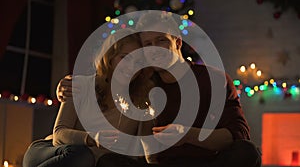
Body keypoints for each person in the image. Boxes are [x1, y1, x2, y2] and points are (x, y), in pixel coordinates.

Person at [56, 11, 262, 167]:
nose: (154, 49)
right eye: (147, 44)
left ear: (178, 42)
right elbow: (105, 78)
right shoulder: (142, 81)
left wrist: (187, 135)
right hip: (161, 164)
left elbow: (238, 134)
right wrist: (67, 85)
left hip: (209, 162)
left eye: (161, 40)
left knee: (247, 151)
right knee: (111, 162)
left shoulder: (214, 79)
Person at [23, 28, 153, 167]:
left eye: (138, 62)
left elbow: (142, 154)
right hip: (51, 152)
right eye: (124, 57)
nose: (131, 66)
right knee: (82, 156)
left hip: (94, 161)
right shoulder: (81, 85)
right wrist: (93, 138)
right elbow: (59, 135)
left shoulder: (142, 104)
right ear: (110, 58)